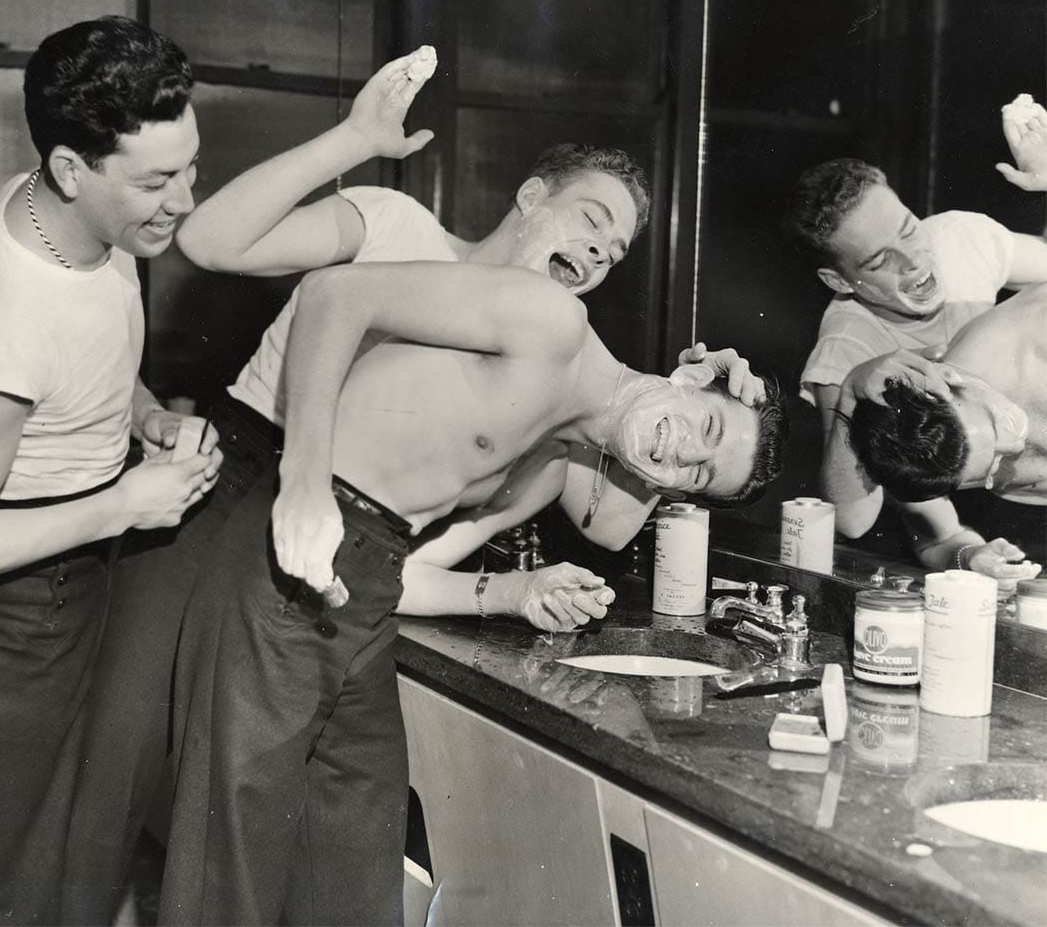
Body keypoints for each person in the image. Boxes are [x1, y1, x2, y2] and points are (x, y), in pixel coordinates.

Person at [62, 45, 766, 924]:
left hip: (354, 543)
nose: (597, 250)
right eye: (591, 218)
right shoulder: (402, 229)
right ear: (530, 195)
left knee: (302, 821)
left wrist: (683, 402)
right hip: (244, 475)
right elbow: (209, 242)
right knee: (124, 758)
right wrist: (355, 139)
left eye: (615, 250)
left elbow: (612, 518)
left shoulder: (550, 365)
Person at [159, 250, 788, 924]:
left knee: (356, 875)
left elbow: (611, 512)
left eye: (699, 474)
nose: (686, 450)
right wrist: (304, 480)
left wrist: (516, 590)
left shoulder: (553, 454)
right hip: (293, 555)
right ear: (688, 381)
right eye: (709, 426)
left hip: (365, 595)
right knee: (228, 876)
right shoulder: (553, 324)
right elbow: (332, 293)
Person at [0, 16, 220, 926]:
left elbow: (87, 358)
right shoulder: (2, 325)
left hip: (83, 572)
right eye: (156, 181)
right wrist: (125, 502)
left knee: (73, 858)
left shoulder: (81, 217)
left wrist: (147, 416)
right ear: (71, 168)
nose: (185, 200)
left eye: (190, 167)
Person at [786, 154, 1047, 577]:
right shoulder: (847, 349)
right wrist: (851, 390)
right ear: (840, 281)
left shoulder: (959, 239)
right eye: (879, 261)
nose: (912, 260)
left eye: (909, 229)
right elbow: (854, 519)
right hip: (994, 494)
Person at [848, 281, 1047, 577]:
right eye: (993, 465)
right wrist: (971, 557)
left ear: (949, 378)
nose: (1014, 444)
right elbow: (939, 539)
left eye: (996, 422)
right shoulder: (920, 455)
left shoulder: (1032, 333)